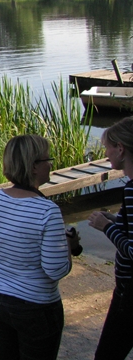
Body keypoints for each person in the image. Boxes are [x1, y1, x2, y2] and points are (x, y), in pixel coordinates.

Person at [0, 134, 78, 360]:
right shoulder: (47, 211)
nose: (51, 164)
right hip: (36, 306)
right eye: (47, 159)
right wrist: (68, 247)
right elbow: (56, 270)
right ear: (33, 167)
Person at [88, 116, 133, 360]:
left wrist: (106, 227)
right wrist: (118, 221)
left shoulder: (131, 190)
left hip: (129, 292)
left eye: (107, 147)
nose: (105, 154)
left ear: (121, 149)